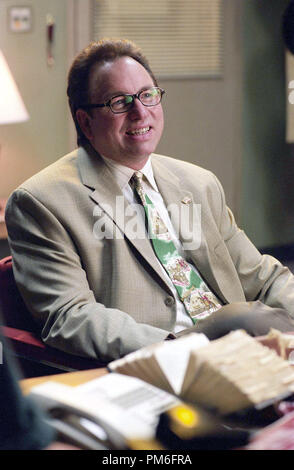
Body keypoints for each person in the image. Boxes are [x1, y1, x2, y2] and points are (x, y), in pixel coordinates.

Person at [5, 39, 294, 363]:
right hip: (163, 360)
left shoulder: (199, 183)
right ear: (85, 121)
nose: (140, 112)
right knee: (244, 319)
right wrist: (183, 348)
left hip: (246, 351)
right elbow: (70, 317)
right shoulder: (42, 202)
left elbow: (263, 277)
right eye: (119, 102)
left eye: (147, 95)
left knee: (256, 320)